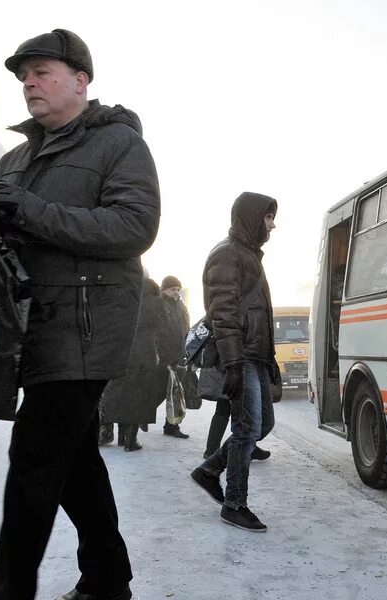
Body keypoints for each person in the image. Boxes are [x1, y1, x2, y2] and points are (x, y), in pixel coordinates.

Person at [0, 29, 159, 600]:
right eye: (23, 75)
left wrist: (25, 208)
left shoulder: (120, 145)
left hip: (85, 327)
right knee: (73, 459)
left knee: (33, 457)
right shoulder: (17, 156)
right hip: (29, 327)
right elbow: (16, 237)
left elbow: (133, 228)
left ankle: (8, 592)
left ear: (81, 80)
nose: (29, 83)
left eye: (42, 71)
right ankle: (107, 576)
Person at [190, 192, 280, 532]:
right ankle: (234, 503)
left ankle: (210, 469)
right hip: (239, 357)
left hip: (253, 357)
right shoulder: (227, 255)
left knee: (262, 425)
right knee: (245, 431)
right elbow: (223, 316)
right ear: (252, 217)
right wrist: (232, 364)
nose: (273, 225)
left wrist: (268, 359)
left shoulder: (248, 256)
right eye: (268, 217)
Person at [99, 277, 176, 451]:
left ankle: (120, 437)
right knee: (139, 397)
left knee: (122, 394)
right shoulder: (156, 302)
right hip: (145, 353)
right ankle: (130, 440)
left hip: (123, 351)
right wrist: (167, 356)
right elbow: (164, 330)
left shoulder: (126, 298)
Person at [160, 275, 191, 439]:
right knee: (155, 393)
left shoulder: (180, 305)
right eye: (172, 289)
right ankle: (131, 426)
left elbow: (185, 329)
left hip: (178, 356)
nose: (176, 292)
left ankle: (171, 426)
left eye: (178, 289)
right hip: (162, 356)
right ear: (164, 288)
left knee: (176, 393)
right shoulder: (159, 303)